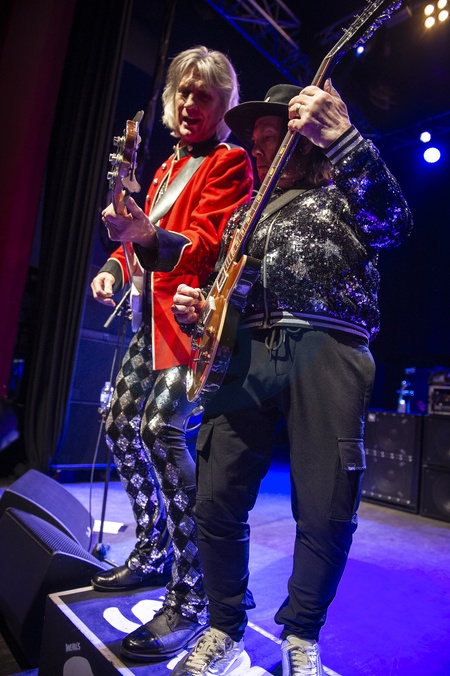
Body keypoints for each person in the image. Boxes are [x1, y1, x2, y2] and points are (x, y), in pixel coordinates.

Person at [171, 80, 413, 675]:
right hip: (247, 354)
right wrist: (203, 308)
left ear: (302, 139)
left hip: (329, 343)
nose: (257, 149)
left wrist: (345, 139)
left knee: (327, 505)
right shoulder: (243, 216)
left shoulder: (345, 187)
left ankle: (302, 634)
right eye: (254, 140)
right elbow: (226, 295)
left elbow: (394, 224)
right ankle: (224, 625)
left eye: (270, 138)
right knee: (215, 495)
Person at [90, 45, 253, 661]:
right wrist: (113, 265)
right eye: (183, 92)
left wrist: (146, 235)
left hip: (190, 324)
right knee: (118, 423)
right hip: (148, 319)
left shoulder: (230, 162)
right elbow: (136, 240)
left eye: (204, 95)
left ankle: (193, 591)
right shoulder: (165, 167)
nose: (190, 103)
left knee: (159, 431)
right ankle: (154, 547)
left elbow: (209, 244)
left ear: (223, 105)